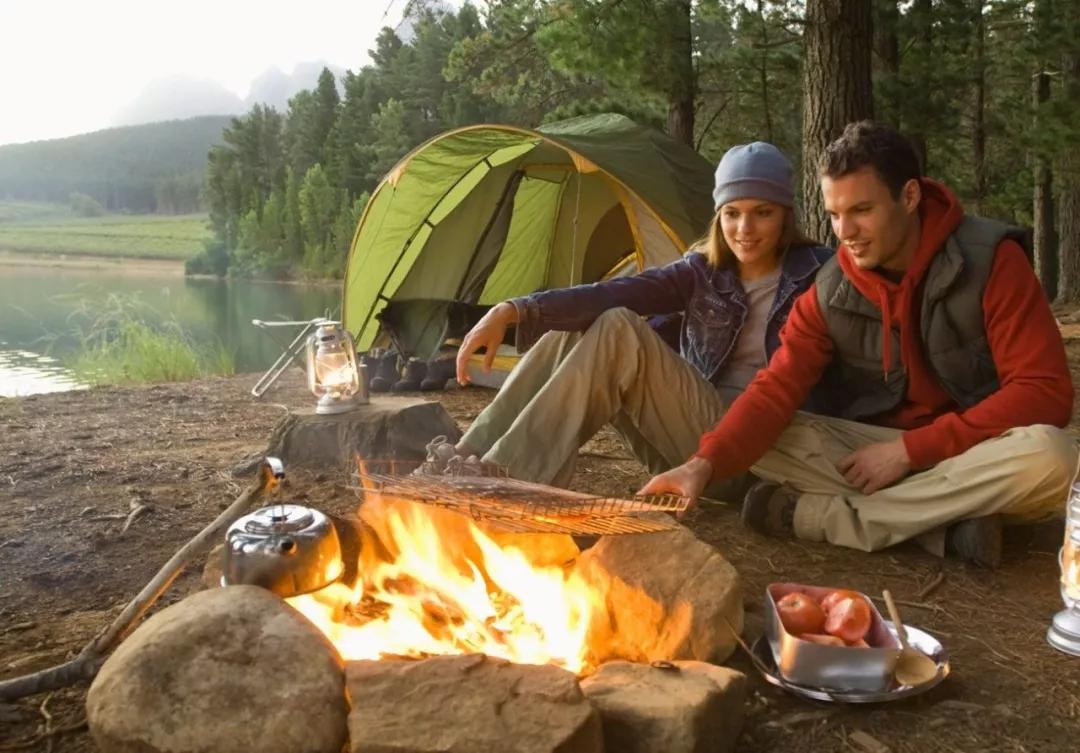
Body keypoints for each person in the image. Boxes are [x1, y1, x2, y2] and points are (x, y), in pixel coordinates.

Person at [642, 120, 1077, 569]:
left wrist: (911, 452)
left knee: (1052, 456)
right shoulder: (831, 288)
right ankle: (946, 519)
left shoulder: (990, 261)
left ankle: (826, 518)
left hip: (974, 450)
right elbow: (776, 389)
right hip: (870, 455)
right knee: (765, 435)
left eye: (861, 210)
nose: (845, 231)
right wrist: (702, 465)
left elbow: (1045, 392)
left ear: (909, 197)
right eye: (834, 214)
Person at [438, 142, 833, 495]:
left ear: (785, 215)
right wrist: (514, 309)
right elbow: (616, 291)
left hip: (752, 458)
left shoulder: (819, 275)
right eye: (732, 213)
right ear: (719, 217)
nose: (744, 229)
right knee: (583, 323)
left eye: (761, 213)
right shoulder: (703, 271)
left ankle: (505, 480)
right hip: (681, 450)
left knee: (617, 327)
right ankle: (466, 455)